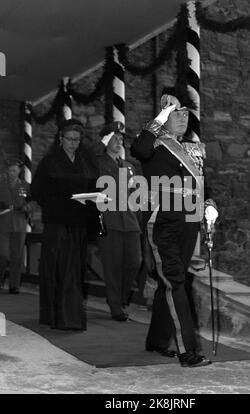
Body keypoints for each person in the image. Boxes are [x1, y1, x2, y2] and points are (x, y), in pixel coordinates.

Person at [131, 88, 218, 368]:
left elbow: (201, 183)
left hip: (189, 221)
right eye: (175, 113)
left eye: (184, 113)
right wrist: (163, 112)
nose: (182, 118)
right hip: (163, 221)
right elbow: (138, 150)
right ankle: (188, 351)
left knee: (173, 281)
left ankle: (157, 340)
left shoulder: (191, 149)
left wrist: (209, 204)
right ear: (164, 115)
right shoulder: (152, 143)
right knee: (174, 281)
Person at [31, 118, 99, 330]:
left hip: (78, 223)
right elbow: (37, 192)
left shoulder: (85, 161)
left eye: (77, 140)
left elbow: (94, 187)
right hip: (57, 223)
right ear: (60, 139)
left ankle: (70, 316)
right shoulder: (49, 162)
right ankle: (56, 316)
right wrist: (60, 202)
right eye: (69, 139)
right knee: (58, 269)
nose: (73, 143)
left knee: (75, 270)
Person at [96, 121, 142, 322]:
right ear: (106, 140)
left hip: (130, 222)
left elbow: (136, 196)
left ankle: (120, 298)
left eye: (121, 138)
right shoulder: (98, 164)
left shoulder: (129, 167)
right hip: (110, 221)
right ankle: (116, 305)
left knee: (134, 262)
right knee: (112, 265)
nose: (119, 141)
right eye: (114, 138)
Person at [0, 158, 32, 294]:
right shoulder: (1, 184)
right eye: (10, 170)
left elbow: (32, 202)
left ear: (19, 171)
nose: (12, 172)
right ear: (6, 171)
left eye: (15, 170)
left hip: (19, 224)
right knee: (3, 254)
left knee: (17, 256)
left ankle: (14, 285)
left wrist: (27, 207)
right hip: (3, 223)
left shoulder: (25, 185)